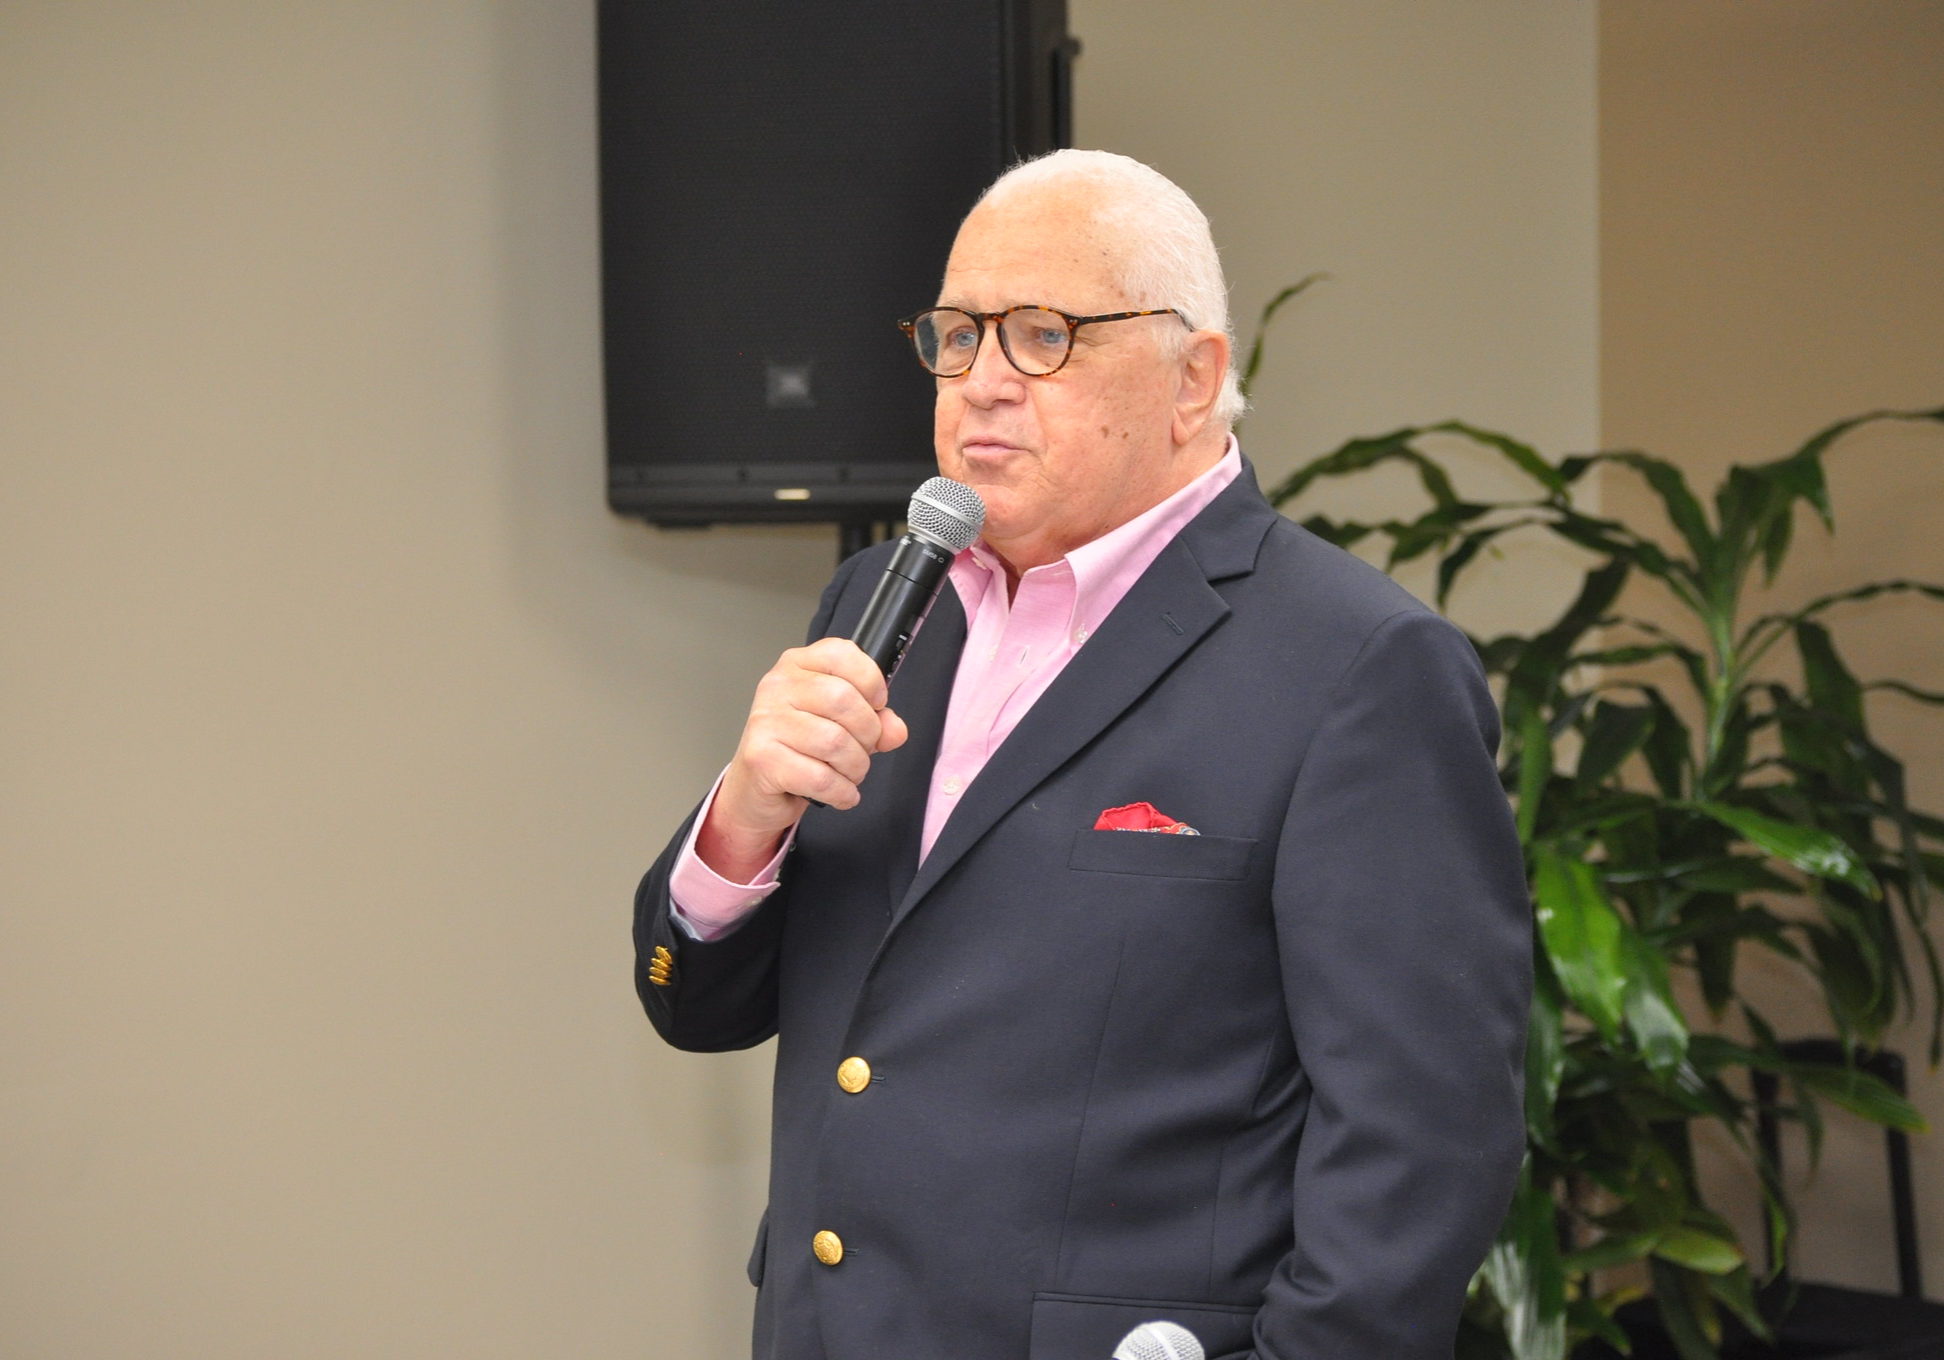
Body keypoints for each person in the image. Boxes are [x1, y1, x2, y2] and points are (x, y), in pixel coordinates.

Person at [634, 149, 1531, 1360]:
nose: (983, 383)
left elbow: (1425, 1141)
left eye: (1043, 335)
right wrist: (744, 821)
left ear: (1193, 378)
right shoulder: (880, 600)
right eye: (956, 336)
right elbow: (704, 1008)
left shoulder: (1357, 665)